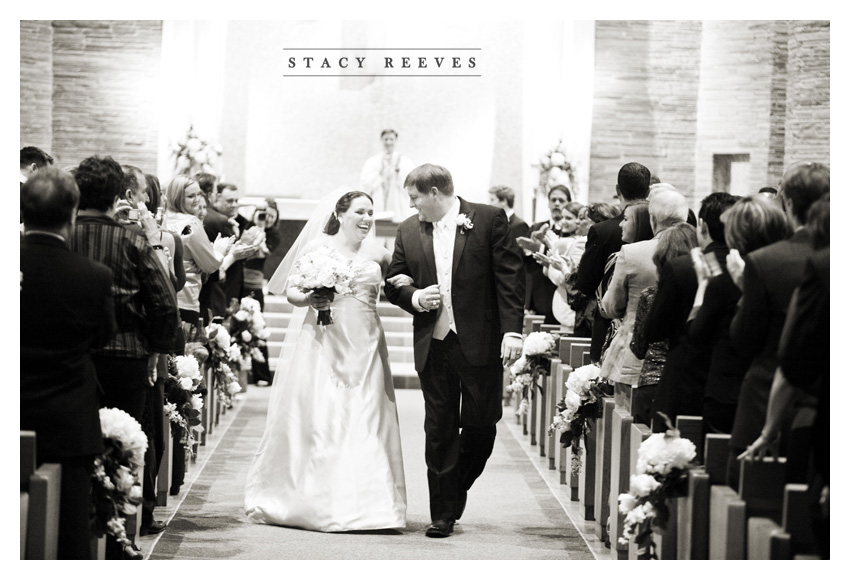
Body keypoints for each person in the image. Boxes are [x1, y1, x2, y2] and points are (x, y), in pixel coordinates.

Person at [245, 191, 407, 532]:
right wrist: (309, 298)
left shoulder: (378, 252)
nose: (366, 218)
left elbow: (400, 283)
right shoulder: (317, 248)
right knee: (323, 417)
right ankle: (316, 497)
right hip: (323, 342)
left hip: (366, 346)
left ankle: (374, 505)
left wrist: (410, 284)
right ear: (340, 212)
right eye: (360, 211)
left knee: (368, 417)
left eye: (371, 213)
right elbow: (291, 291)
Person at [384, 163, 525, 538]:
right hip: (435, 342)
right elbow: (394, 280)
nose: (411, 205)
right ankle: (442, 513)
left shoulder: (489, 218)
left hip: (480, 340)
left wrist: (512, 331)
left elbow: (510, 279)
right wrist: (414, 296)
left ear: (434, 193)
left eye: (414, 197)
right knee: (439, 429)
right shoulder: (407, 230)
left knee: (482, 425)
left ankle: (455, 488)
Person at [21, 167, 116, 559]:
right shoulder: (93, 276)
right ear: (73, 215)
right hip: (68, 420)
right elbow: (104, 336)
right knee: (68, 531)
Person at [726, 162, 828, 490]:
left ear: (787, 202)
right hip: (819, 405)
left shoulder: (768, 261)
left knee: (750, 502)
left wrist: (744, 292)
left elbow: (745, 341)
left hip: (765, 401)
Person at [688, 195, 790, 438]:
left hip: (727, 392)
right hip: (779, 393)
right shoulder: (787, 273)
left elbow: (696, 335)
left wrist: (703, 285)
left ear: (735, 235)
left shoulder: (723, 283)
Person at [642, 192, 737, 430]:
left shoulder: (682, 268)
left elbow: (654, 329)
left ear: (702, 226)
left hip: (683, 380)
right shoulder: (748, 267)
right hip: (729, 383)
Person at [574, 162, 651, 362]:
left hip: (609, 324)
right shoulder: (659, 230)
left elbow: (585, 282)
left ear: (618, 190)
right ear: (648, 190)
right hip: (651, 327)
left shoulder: (603, 231)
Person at [629, 222, 698, 425]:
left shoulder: (651, 296)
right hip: (689, 383)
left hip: (653, 380)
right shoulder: (706, 294)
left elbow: (639, 347)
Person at [595, 201, 654, 385]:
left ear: (641, 224)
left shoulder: (623, 256)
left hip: (626, 342)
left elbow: (609, 306)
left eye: (626, 219)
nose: (620, 224)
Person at [517, 184, 573, 324]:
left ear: (568, 203)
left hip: (562, 295)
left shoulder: (571, 230)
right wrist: (527, 248)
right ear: (548, 203)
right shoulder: (536, 227)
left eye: (561, 200)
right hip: (539, 292)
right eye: (553, 200)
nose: (556, 203)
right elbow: (525, 263)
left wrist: (540, 248)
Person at [360, 128, 415, 221]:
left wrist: (399, 174)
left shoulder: (405, 162)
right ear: (381, 140)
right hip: (379, 202)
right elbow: (366, 183)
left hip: (398, 204)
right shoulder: (373, 162)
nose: (388, 142)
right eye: (386, 139)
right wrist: (379, 174)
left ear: (396, 141)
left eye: (391, 139)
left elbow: (412, 184)